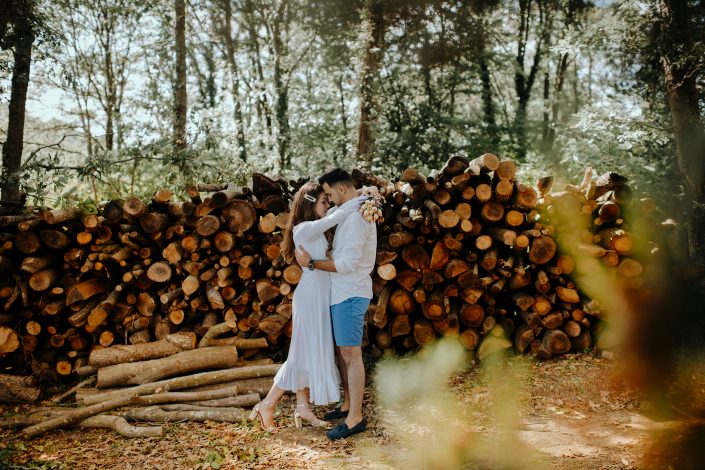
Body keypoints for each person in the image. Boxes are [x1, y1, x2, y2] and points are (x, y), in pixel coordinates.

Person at [248, 181, 363, 432]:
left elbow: (335, 214)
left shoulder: (315, 229)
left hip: (320, 296)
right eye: (323, 201)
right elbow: (340, 213)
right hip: (310, 297)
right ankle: (267, 404)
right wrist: (361, 198)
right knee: (300, 354)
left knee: (307, 352)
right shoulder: (303, 229)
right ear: (310, 204)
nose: (328, 204)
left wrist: (362, 194)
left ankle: (302, 407)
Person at [295, 168, 377, 440]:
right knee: (345, 355)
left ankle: (355, 418)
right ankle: (346, 406)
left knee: (351, 355)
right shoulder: (354, 211)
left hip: (351, 294)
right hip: (341, 294)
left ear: (341, 189)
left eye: (329, 193)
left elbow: (345, 264)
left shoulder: (356, 218)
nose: (328, 200)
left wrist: (310, 263)